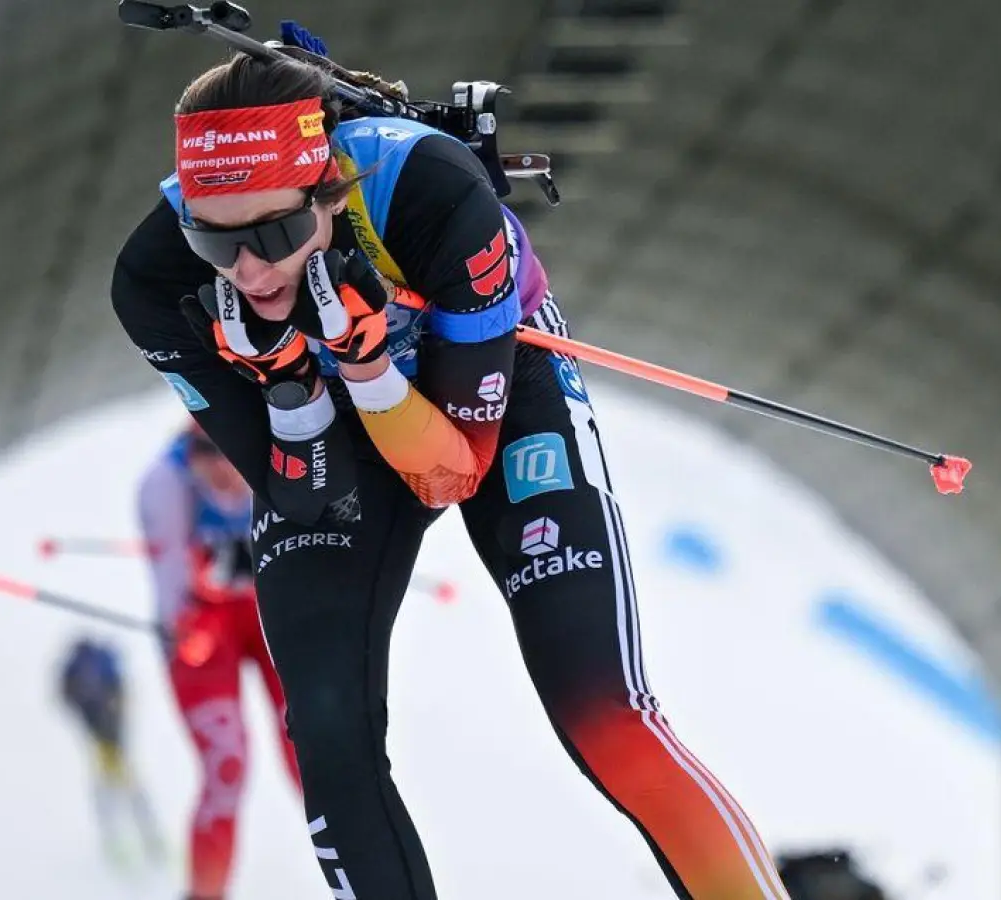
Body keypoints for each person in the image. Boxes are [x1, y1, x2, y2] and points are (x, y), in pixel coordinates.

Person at [109, 46, 792, 900]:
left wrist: (368, 370)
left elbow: (451, 472)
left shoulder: (430, 193)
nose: (246, 272)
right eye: (215, 239)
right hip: (339, 418)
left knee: (603, 712)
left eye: (273, 235)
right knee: (328, 740)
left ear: (328, 187)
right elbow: (307, 491)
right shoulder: (154, 279)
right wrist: (290, 388)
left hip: (494, 396)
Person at [138, 423, 301, 900]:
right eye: (212, 465)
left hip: (267, 608)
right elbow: (172, 597)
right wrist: (213, 576)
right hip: (205, 622)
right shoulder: (164, 486)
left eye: (234, 462)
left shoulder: (277, 459)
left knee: (311, 757)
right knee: (226, 766)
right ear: (194, 459)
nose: (227, 476)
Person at [56, 635, 167, 868]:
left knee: (113, 788)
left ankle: (125, 842)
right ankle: (141, 841)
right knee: (125, 787)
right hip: (109, 739)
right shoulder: (105, 671)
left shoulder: (80, 674)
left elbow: (68, 699)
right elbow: (121, 698)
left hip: (105, 740)